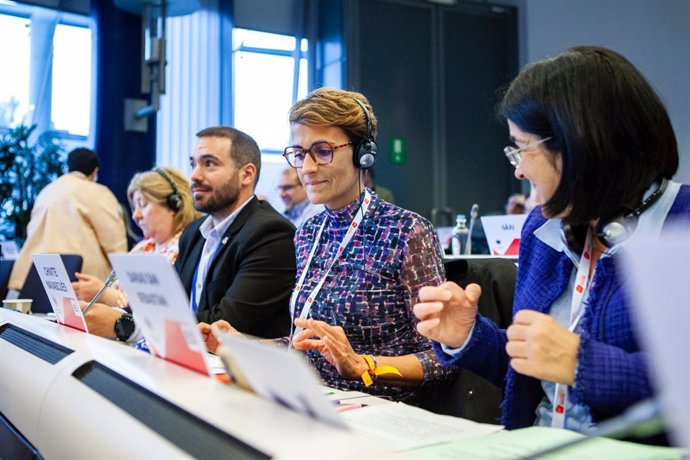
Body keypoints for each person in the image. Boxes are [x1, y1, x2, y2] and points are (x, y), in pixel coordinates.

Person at [414, 46, 690, 432]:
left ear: (579, 144)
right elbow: (535, 373)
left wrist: (582, 364)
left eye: (522, 149)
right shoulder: (542, 231)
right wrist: (469, 336)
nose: (519, 172)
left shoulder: (681, 226)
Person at [203, 89, 452, 402]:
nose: (306, 168)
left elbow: (445, 358)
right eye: (298, 153)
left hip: (381, 413)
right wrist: (241, 344)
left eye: (322, 151)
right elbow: (307, 348)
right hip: (312, 402)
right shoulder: (308, 233)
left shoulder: (406, 232)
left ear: (364, 154)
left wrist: (365, 366)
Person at [85, 127, 296, 342]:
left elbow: (227, 322)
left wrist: (125, 325)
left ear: (247, 174)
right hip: (185, 362)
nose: (195, 175)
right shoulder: (195, 232)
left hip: (237, 371)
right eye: (193, 164)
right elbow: (166, 306)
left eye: (209, 164)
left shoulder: (271, 234)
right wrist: (110, 315)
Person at [72, 167, 200, 308]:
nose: (135, 215)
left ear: (173, 205)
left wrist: (104, 295)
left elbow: (159, 310)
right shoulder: (143, 247)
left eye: (143, 205)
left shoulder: (186, 250)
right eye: (134, 207)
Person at [8, 148, 127, 292]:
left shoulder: (47, 191)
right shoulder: (96, 192)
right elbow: (113, 239)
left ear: (68, 167)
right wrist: (124, 274)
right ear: (95, 171)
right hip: (79, 279)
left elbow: (32, 230)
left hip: (38, 275)